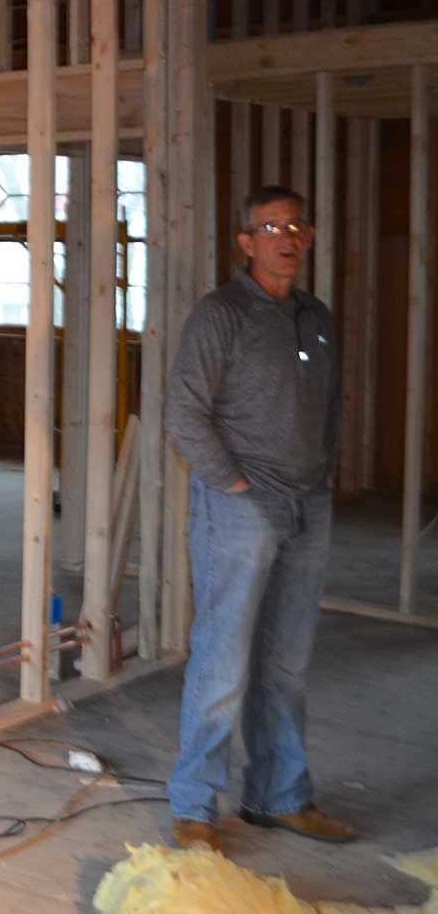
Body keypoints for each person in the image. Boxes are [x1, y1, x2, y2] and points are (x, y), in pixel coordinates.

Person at [162, 184, 357, 853]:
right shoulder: (222, 314)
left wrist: (324, 472)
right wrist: (235, 483)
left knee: (287, 663)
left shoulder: (317, 315)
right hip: (241, 508)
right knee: (223, 662)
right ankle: (194, 810)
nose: (287, 237)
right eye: (271, 226)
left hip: (309, 504)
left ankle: (281, 797)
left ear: (308, 237)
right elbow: (183, 412)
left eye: (297, 225)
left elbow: (331, 403)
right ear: (247, 242)